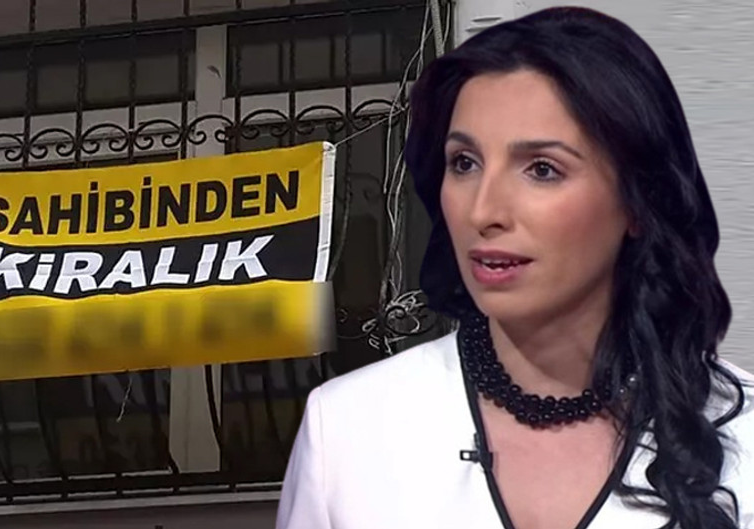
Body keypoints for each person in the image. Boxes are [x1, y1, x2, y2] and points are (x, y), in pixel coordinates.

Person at [275, 6, 754, 529]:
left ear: (639, 202)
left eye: (542, 169)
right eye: (464, 163)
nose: (483, 212)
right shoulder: (346, 428)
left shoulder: (744, 432)